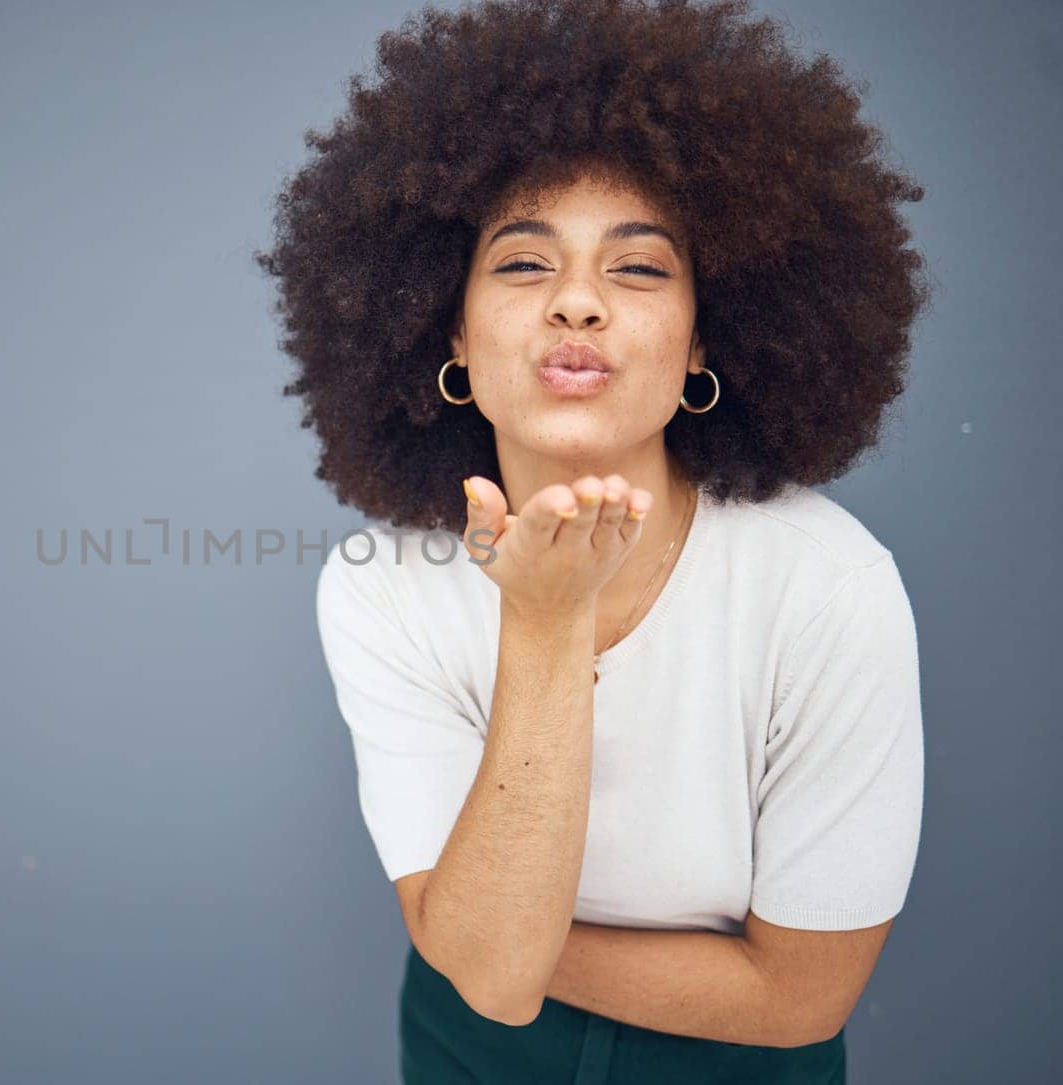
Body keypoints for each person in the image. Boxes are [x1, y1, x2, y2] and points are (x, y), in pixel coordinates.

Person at [254, 0, 930, 1080]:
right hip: (474, 1055)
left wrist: (474, 928)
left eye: (639, 268)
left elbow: (801, 996)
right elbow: (487, 988)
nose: (576, 301)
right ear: (455, 335)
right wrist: (546, 615)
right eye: (523, 265)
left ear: (706, 334)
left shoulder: (826, 583)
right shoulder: (381, 584)